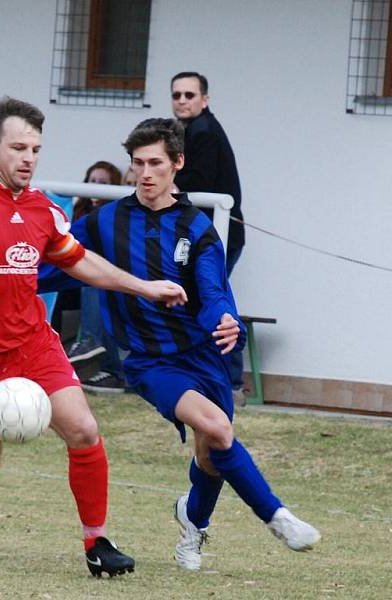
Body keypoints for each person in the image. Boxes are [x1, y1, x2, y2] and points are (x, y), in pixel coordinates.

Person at [0, 96, 187, 578]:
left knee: (84, 430)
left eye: (36, 149)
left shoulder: (43, 209)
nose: (28, 158)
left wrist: (145, 287)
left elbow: (79, 261)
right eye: (18, 147)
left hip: (31, 343)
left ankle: (97, 542)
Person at [39, 118, 320, 571]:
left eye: (155, 163)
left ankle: (191, 521)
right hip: (151, 363)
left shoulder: (198, 228)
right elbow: (59, 264)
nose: (145, 174)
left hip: (204, 357)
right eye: (137, 164)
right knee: (219, 428)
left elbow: (212, 292)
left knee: (211, 453)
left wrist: (226, 321)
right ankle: (277, 516)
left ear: (178, 164)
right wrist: (3, 281)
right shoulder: (105, 222)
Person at [170, 71, 245, 394]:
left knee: (212, 299)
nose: (183, 100)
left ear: (204, 99)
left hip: (218, 235)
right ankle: (212, 375)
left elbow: (200, 180)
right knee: (203, 299)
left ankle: (230, 379)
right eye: (177, 95)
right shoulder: (190, 130)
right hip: (204, 236)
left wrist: (170, 183)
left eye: (189, 95)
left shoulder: (204, 132)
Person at [65, 161, 127, 394]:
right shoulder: (77, 213)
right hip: (71, 286)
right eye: (92, 182)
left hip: (114, 284)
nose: (96, 188)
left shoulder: (116, 215)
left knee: (95, 286)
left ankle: (93, 345)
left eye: (103, 183)